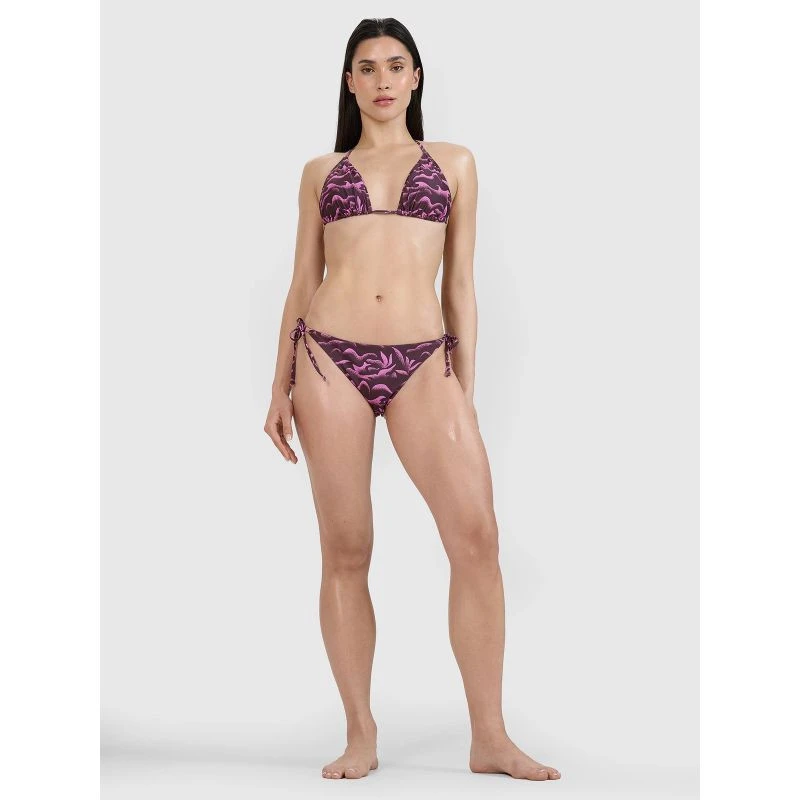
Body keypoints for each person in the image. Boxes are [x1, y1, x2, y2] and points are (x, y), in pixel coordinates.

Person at [264, 17, 561, 783]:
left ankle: (490, 737)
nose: (383, 80)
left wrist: (465, 386)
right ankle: (360, 733)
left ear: (416, 76)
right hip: (327, 360)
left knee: (477, 539)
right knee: (346, 549)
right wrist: (278, 383)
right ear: (350, 82)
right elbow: (301, 282)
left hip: (426, 361)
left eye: (396, 65)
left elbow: (461, 283)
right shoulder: (321, 172)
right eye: (367, 68)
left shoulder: (453, 163)